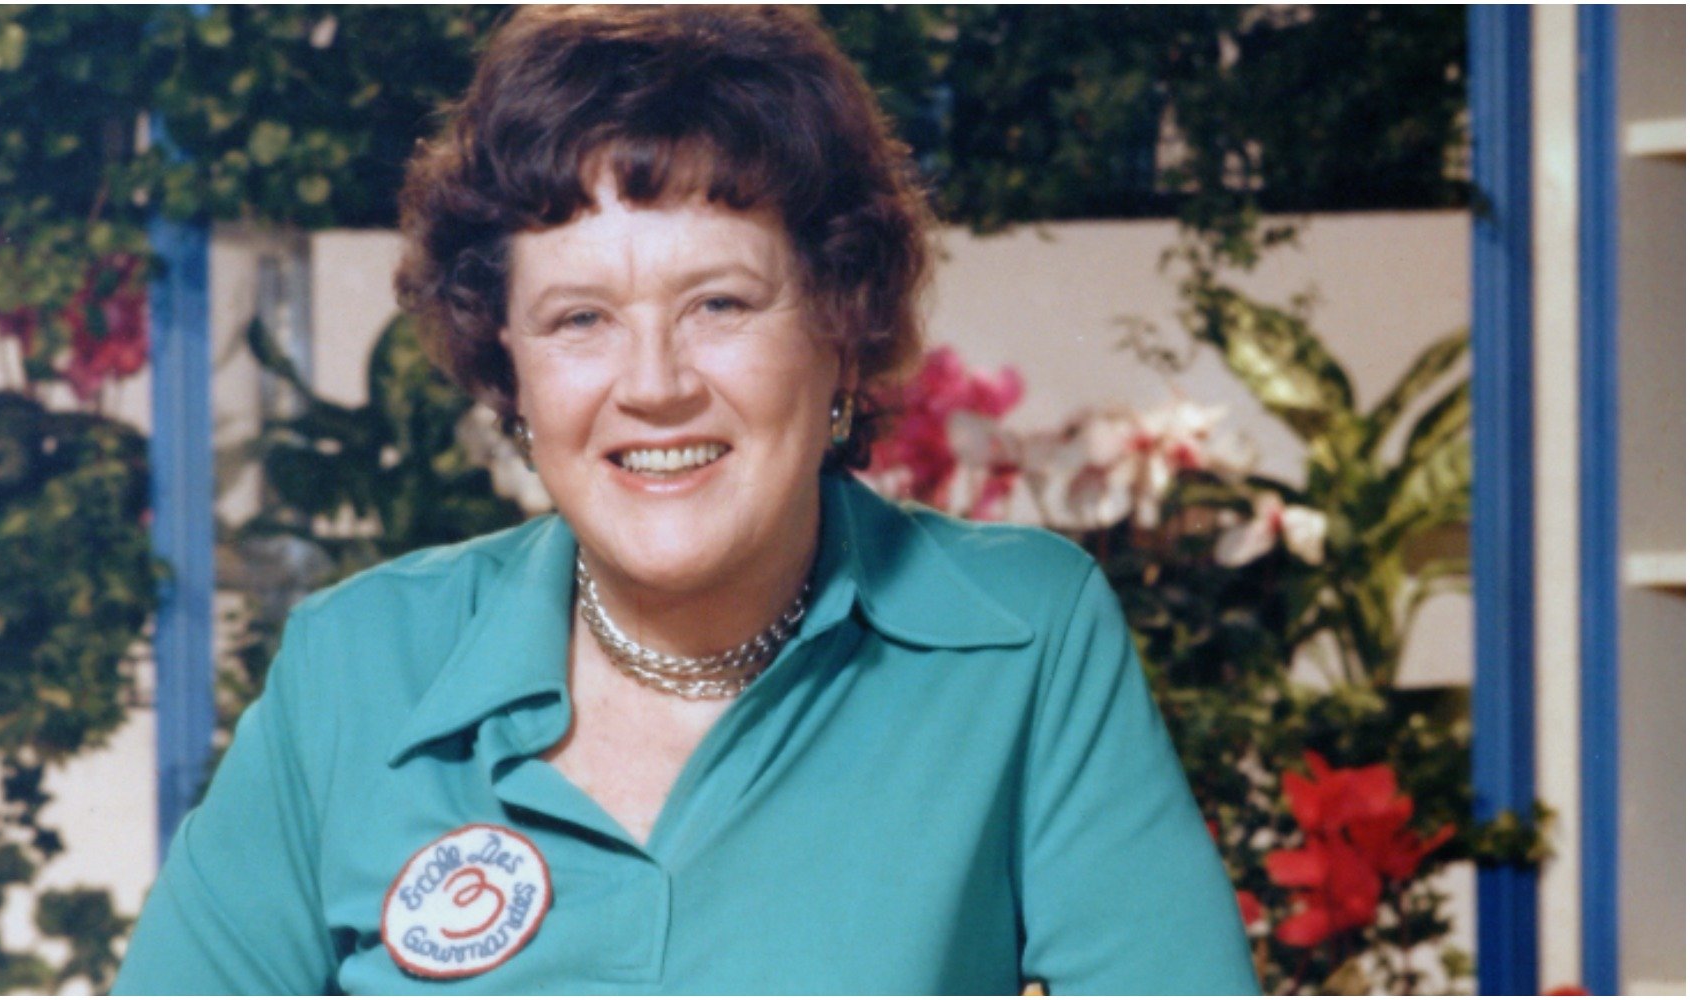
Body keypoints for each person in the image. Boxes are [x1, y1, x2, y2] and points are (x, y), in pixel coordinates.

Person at [114, 7, 1256, 995]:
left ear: (839, 323)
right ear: (505, 364)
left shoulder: (1020, 637)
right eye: (578, 320)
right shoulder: (352, 668)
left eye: (718, 302)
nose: (653, 384)